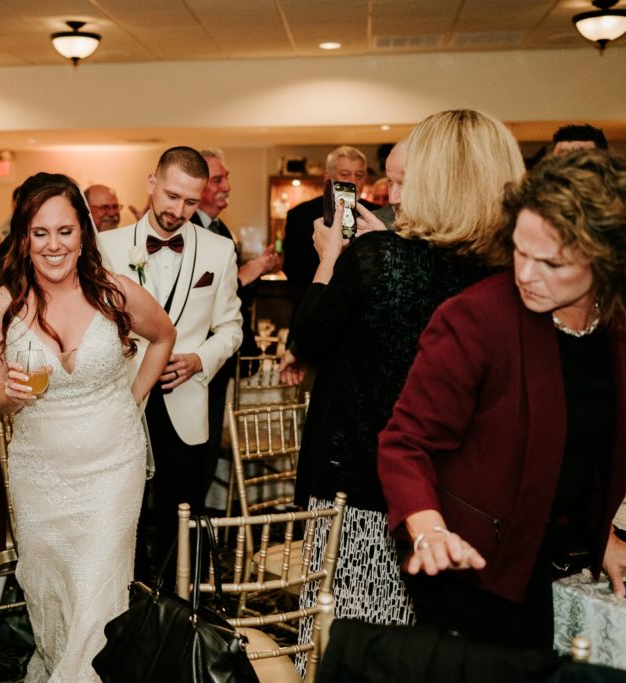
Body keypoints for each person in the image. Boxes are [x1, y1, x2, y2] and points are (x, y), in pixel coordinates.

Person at [282, 110, 525, 669]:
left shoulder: (379, 257)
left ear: (443, 181)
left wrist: (330, 260)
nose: (390, 193)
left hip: (359, 486)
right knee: (423, 656)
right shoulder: (504, 276)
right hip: (449, 501)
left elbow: (311, 337)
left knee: (346, 646)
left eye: (404, 180)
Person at [379, 150, 626, 649]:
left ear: (607, 259)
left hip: (562, 552)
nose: (526, 275)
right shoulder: (476, 318)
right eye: (519, 251)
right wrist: (428, 531)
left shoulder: (618, 324)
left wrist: (606, 533)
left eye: (551, 262)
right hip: (470, 564)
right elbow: (405, 443)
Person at [0, 172, 175, 682]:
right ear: (23, 238)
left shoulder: (114, 292)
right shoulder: (3, 303)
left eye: (65, 231)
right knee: (51, 593)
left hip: (112, 465)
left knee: (98, 591)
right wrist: (11, 395)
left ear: (83, 233)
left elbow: (163, 336)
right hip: (40, 471)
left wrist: (134, 401)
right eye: (40, 233)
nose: (54, 245)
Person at [99, 146, 242, 578]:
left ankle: (182, 616)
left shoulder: (219, 251)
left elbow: (232, 329)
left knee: (184, 518)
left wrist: (199, 359)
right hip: (123, 402)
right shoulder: (106, 247)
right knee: (125, 516)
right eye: (172, 196)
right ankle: (129, 612)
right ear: (151, 184)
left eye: (191, 202)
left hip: (186, 404)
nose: (179, 211)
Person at [190, 148, 281, 512]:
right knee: (192, 456)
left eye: (226, 178)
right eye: (218, 179)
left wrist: (252, 273)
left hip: (218, 360)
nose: (227, 186)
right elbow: (202, 298)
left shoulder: (219, 229)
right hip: (193, 363)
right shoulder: (189, 230)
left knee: (207, 450)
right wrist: (250, 272)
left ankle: (196, 531)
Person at [282, 145, 377, 313]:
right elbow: (292, 269)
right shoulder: (300, 215)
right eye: (345, 174)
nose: (353, 181)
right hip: (314, 305)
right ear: (328, 178)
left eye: (359, 175)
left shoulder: (376, 213)